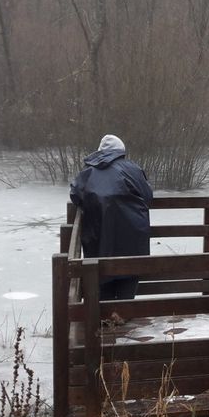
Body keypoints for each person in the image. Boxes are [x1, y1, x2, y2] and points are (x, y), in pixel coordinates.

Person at [69, 134, 154, 320]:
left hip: (99, 237)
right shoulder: (132, 169)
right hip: (133, 236)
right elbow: (148, 195)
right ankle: (122, 317)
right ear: (121, 152)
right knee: (129, 273)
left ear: (100, 152)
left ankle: (105, 320)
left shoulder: (88, 172)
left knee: (102, 275)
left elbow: (75, 195)